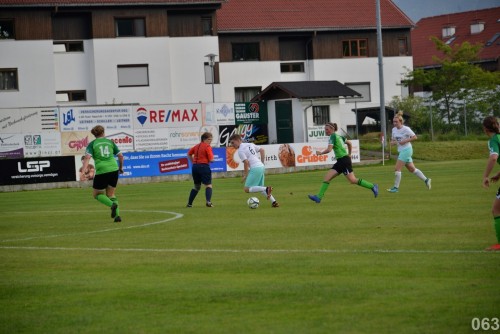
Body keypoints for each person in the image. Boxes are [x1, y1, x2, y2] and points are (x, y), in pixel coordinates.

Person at [308, 122, 378, 203]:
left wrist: (320, 153)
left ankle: (373, 186)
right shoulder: (339, 136)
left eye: (327, 129)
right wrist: (350, 154)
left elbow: (329, 149)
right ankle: (319, 197)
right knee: (327, 178)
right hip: (340, 161)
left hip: (344, 161)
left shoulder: (333, 136)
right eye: (325, 130)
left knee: (352, 180)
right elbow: (349, 143)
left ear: (332, 129)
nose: (325, 131)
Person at [81, 125, 124, 222]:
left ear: (94, 134)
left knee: (97, 194)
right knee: (111, 194)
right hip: (113, 169)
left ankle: (112, 205)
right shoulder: (110, 142)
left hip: (102, 171)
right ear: (103, 132)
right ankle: (117, 216)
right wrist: (120, 168)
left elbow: (87, 158)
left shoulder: (92, 144)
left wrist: (83, 172)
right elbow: (121, 156)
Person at [229, 134, 279, 207]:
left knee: (247, 189)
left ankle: (267, 188)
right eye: (231, 143)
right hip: (261, 167)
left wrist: (245, 175)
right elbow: (262, 150)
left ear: (238, 140)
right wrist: (262, 163)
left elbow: (246, 162)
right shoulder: (250, 144)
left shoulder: (240, 150)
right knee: (260, 188)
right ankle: (274, 202)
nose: (232, 145)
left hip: (255, 168)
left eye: (233, 143)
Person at [387, 111, 431, 193]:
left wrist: (405, 141)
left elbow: (415, 137)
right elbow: (394, 140)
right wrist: (392, 143)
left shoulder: (406, 129)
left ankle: (396, 188)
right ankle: (426, 180)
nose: (394, 123)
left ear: (401, 121)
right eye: (393, 121)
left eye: (396, 122)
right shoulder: (393, 130)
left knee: (397, 168)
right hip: (401, 151)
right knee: (412, 169)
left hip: (407, 150)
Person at [481, 116, 500, 251]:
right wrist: (499, 175)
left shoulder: (493, 140)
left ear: (485, 128)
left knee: (496, 210)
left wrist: (485, 176)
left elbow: (493, 158)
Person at [186, 132, 215, 207]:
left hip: (195, 167)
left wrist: (193, 162)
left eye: (211, 139)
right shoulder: (207, 146)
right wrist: (212, 159)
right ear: (204, 139)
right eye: (209, 139)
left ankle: (189, 204)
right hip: (204, 167)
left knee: (196, 186)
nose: (210, 141)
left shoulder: (196, 146)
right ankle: (208, 202)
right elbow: (211, 159)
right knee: (208, 185)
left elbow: (189, 154)